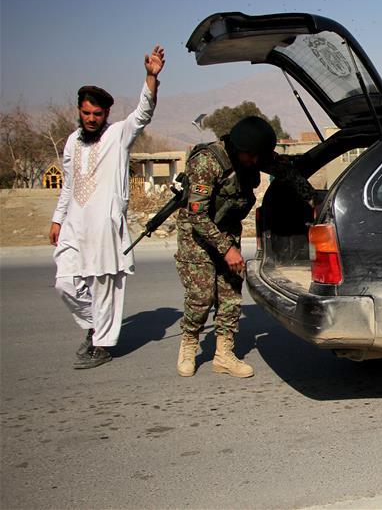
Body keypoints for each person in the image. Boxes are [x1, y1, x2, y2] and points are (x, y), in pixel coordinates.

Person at [50, 45, 166, 369]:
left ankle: (101, 344)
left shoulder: (118, 135)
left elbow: (143, 112)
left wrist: (151, 77)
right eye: (86, 113)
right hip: (74, 225)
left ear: (106, 115)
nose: (90, 119)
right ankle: (94, 326)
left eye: (96, 115)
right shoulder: (72, 142)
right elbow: (69, 185)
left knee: (104, 289)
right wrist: (58, 220)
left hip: (104, 227)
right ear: (79, 111)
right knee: (64, 282)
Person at [174, 116, 315, 378]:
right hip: (198, 236)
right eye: (252, 158)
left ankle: (224, 354)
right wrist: (226, 249)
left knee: (230, 293)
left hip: (227, 231)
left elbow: (286, 171)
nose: (256, 163)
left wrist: (312, 199)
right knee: (201, 297)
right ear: (240, 150)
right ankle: (189, 343)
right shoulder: (207, 162)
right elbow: (197, 216)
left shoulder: (255, 155)